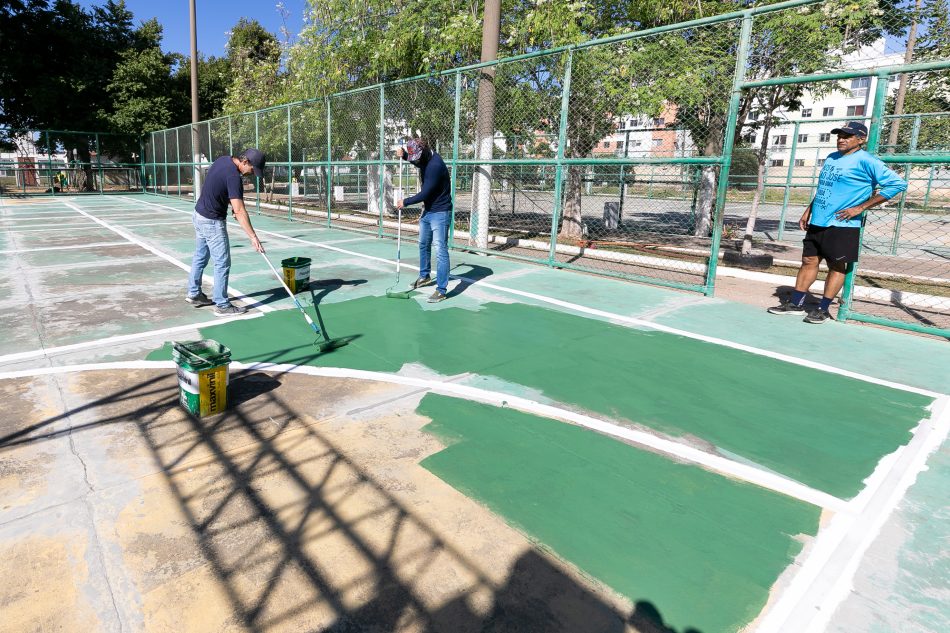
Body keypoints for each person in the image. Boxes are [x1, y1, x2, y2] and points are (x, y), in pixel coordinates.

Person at [768, 121, 906, 324]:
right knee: (808, 261)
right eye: (839, 135)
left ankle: (823, 309)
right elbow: (825, 188)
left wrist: (860, 208)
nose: (841, 139)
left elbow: (898, 184)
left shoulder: (866, 161)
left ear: (861, 140)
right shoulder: (832, 158)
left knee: (837, 265)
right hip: (818, 220)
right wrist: (809, 210)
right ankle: (795, 304)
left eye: (847, 136)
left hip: (843, 224)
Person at [186, 148, 267, 316]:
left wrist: (230, 207)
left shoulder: (223, 160)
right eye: (252, 170)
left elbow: (218, 188)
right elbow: (240, 211)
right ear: (245, 162)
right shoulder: (234, 177)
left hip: (199, 214)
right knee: (222, 262)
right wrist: (253, 237)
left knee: (200, 256)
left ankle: (194, 294)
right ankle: (222, 305)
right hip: (211, 221)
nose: (251, 174)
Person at [396, 138, 452, 303]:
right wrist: (405, 156)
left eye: (418, 158)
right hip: (428, 211)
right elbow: (419, 163)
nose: (417, 161)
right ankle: (424, 275)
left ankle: (441, 289)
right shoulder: (425, 158)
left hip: (440, 212)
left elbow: (425, 194)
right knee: (423, 243)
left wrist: (405, 202)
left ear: (426, 151)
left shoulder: (435, 166)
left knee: (440, 250)